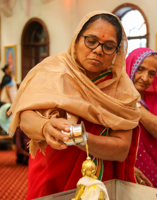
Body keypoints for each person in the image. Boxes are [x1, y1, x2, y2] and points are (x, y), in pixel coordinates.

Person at [7, 11, 141, 199]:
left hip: (98, 181)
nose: (98, 50)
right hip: (50, 173)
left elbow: (121, 149)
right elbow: (26, 116)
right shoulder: (53, 71)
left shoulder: (123, 91)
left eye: (109, 46)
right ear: (77, 39)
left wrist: (77, 136)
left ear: (117, 52)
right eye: (91, 41)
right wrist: (45, 127)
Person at [126, 47, 157, 192]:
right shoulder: (110, 96)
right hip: (120, 168)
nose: (145, 78)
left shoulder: (153, 100)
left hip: (149, 173)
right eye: (140, 69)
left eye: (152, 73)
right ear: (130, 66)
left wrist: (134, 103)